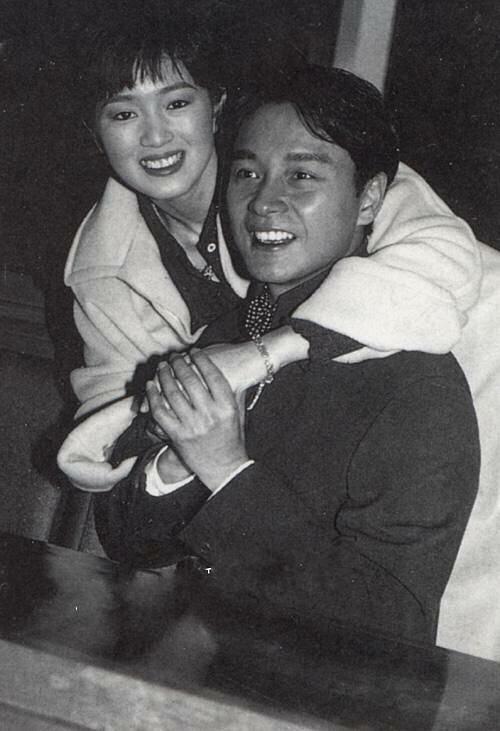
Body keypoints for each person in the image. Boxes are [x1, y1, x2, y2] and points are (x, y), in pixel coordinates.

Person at [93, 66, 479, 647]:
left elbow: (393, 628)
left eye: (301, 175)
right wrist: (179, 460)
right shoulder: (230, 333)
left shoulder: (416, 383)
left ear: (369, 198)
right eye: (247, 173)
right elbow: (127, 540)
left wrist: (224, 467)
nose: (264, 201)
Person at [64, 4, 480, 425]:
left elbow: (450, 264)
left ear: (216, 106)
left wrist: (260, 355)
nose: (155, 136)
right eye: (124, 114)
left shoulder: (309, 157)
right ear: (94, 133)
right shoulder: (100, 268)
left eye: (176, 103)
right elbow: (106, 422)